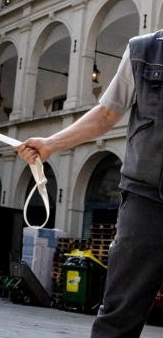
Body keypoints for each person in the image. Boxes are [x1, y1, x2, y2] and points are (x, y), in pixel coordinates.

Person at [18, 31, 163, 338]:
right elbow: (107, 114)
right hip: (146, 199)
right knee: (119, 314)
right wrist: (50, 143)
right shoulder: (142, 51)